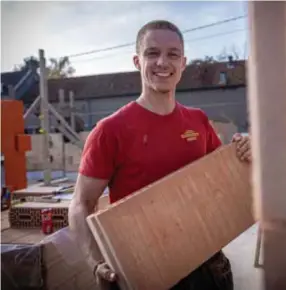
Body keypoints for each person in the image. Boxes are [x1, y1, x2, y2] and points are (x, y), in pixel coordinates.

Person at [68, 20, 251, 290]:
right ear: (137, 60)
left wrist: (244, 152)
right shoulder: (110, 130)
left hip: (208, 268)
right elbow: (80, 203)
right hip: (145, 270)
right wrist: (95, 261)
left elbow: (222, 182)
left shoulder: (198, 121)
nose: (163, 62)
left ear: (183, 63)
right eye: (152, 53)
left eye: (172, 54)